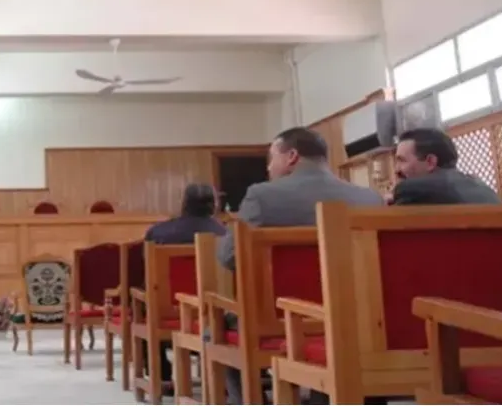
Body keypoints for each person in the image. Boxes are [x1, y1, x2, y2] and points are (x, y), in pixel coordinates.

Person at [214, 127, 384, 405]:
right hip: (358, 320)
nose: (269, 167)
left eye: (272, 158)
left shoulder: (262, 196)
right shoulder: (369, 199)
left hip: (281, 319)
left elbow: (229, 256)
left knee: (214, 328)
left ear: (291, 156)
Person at [142, 183, 227, 396]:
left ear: (184, 204)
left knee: (146, 304)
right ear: (214, 205)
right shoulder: (225, 234)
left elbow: (147, 273)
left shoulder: (158, 232)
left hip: (168, 311)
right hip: (215, 311)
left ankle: (162, 376)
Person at [392, 127, 501, 205]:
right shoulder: (484, 189)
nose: (396, 170)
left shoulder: (409, 190)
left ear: (430, 162)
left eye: (402, 161)